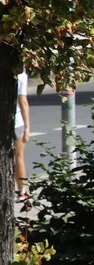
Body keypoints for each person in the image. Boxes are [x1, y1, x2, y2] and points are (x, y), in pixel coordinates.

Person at [13, 65, 31, 202]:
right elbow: (23, 101)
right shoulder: (21, 76)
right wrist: (27, 127)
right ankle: (22, 190)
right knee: (18, 156)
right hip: (16, 121)